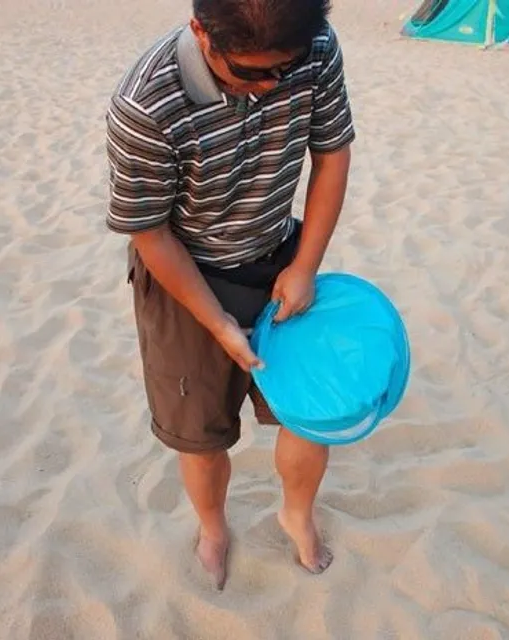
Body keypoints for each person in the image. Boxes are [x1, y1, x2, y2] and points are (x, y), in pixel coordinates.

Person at [105, 0, 355, 590]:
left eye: (282, 70)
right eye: (250, 73)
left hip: (279, 257)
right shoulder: (145, 106)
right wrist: (215, 320)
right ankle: (213, 526)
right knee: (201, 433)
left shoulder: (314, 47)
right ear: (201, 31)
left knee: (308, 413)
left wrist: (306, 266)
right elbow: (149, 230)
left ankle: (296, 514)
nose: (270, 87)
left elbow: (333, 152)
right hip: (186, 276)